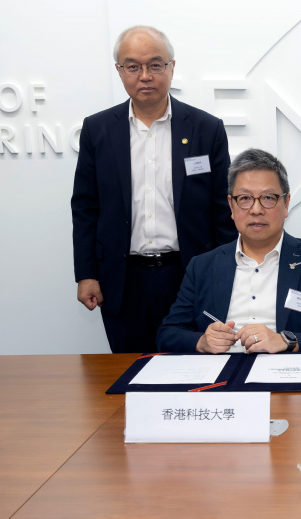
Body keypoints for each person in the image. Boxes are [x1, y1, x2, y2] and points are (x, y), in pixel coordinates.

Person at [71, 26, 233, 353]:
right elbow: (86, 207)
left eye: (155, 65)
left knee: (193, 372)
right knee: (132, 374)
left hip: (189, 275)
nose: (145, 75)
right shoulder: (97, 129)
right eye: (133, 66)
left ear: (172, 67)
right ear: (119, 72)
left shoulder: (206, 129)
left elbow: (222, 210)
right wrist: (86, 274)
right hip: (123, 278)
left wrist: (226, 277)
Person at [157, 148, 301, 354]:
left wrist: (286, 341)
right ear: (231, 206)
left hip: (287, 376)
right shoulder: (202, 266)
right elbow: (168, 334)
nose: (256, 209)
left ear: (286, 204)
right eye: (245, 198)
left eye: (268, 197)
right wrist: (201, 342)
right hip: (219, 376)